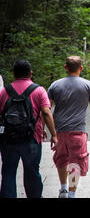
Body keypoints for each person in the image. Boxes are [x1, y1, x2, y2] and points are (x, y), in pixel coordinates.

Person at [0, 59, 58, 198]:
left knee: (8, 171)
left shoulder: (3, 92)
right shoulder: (38, 90)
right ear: (31, 73)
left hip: (8, 138)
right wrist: (54, 135)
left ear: (14, 74)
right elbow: (46, 112)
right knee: (31, 171)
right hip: (31, 137)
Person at [47, 56, 90, 198]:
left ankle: (63, 188)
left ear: (66, 67)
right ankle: (71, 193)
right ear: (81, 68)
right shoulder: (88, 85)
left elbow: (46, 109)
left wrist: (46, 129)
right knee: (76, 162)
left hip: (59, 131)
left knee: (61, 159)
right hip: (78, 131)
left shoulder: (55, 85)